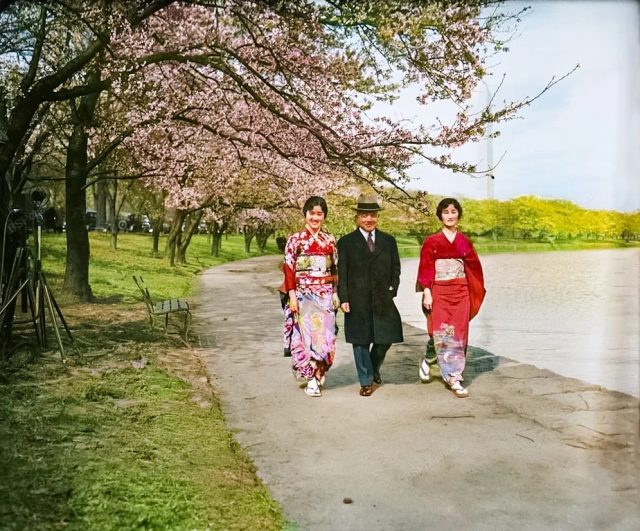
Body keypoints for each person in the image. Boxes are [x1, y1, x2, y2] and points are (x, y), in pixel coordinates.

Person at [416, 198, 486, 398]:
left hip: (461, 290)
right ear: (440, 216)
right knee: (441, 332)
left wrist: (472, 290)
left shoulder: (464, 241)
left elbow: (474, 268)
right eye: (445, 212)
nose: (450, 215)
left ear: (458, 215)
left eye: (453, 212)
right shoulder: (432, 241)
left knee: (459, 333)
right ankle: (434, 361)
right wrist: (427, 292)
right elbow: (426, 268)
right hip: (439, 290)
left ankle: (454, 377)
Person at [337, 194, 404, 397]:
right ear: (357, 217)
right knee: (360, 340)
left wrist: (392, 288)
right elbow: (342, 273)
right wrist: (344, 298)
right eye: (364, 215)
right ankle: (366, 381)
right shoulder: (346, 242)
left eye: (373, 215)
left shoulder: (388, 241)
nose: (369, 219)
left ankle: (374, 367)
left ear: (377, 217)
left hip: (383, 297)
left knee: (386, 337)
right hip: (356, 298)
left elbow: (396, 268)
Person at [280, 196, 339, 397]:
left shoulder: (329, 240)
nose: (315, 217)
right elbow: (289, 270)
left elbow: (336, 268)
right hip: (303, 295)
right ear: (305, 214)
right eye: (311, 213)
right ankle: (311, 380)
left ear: (324, 216)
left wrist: (336, 293)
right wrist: (292, 296)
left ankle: (319, 370)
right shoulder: (295, 240)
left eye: (319, 214)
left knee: (326, 337)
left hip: (326, 295)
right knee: (306, 337)